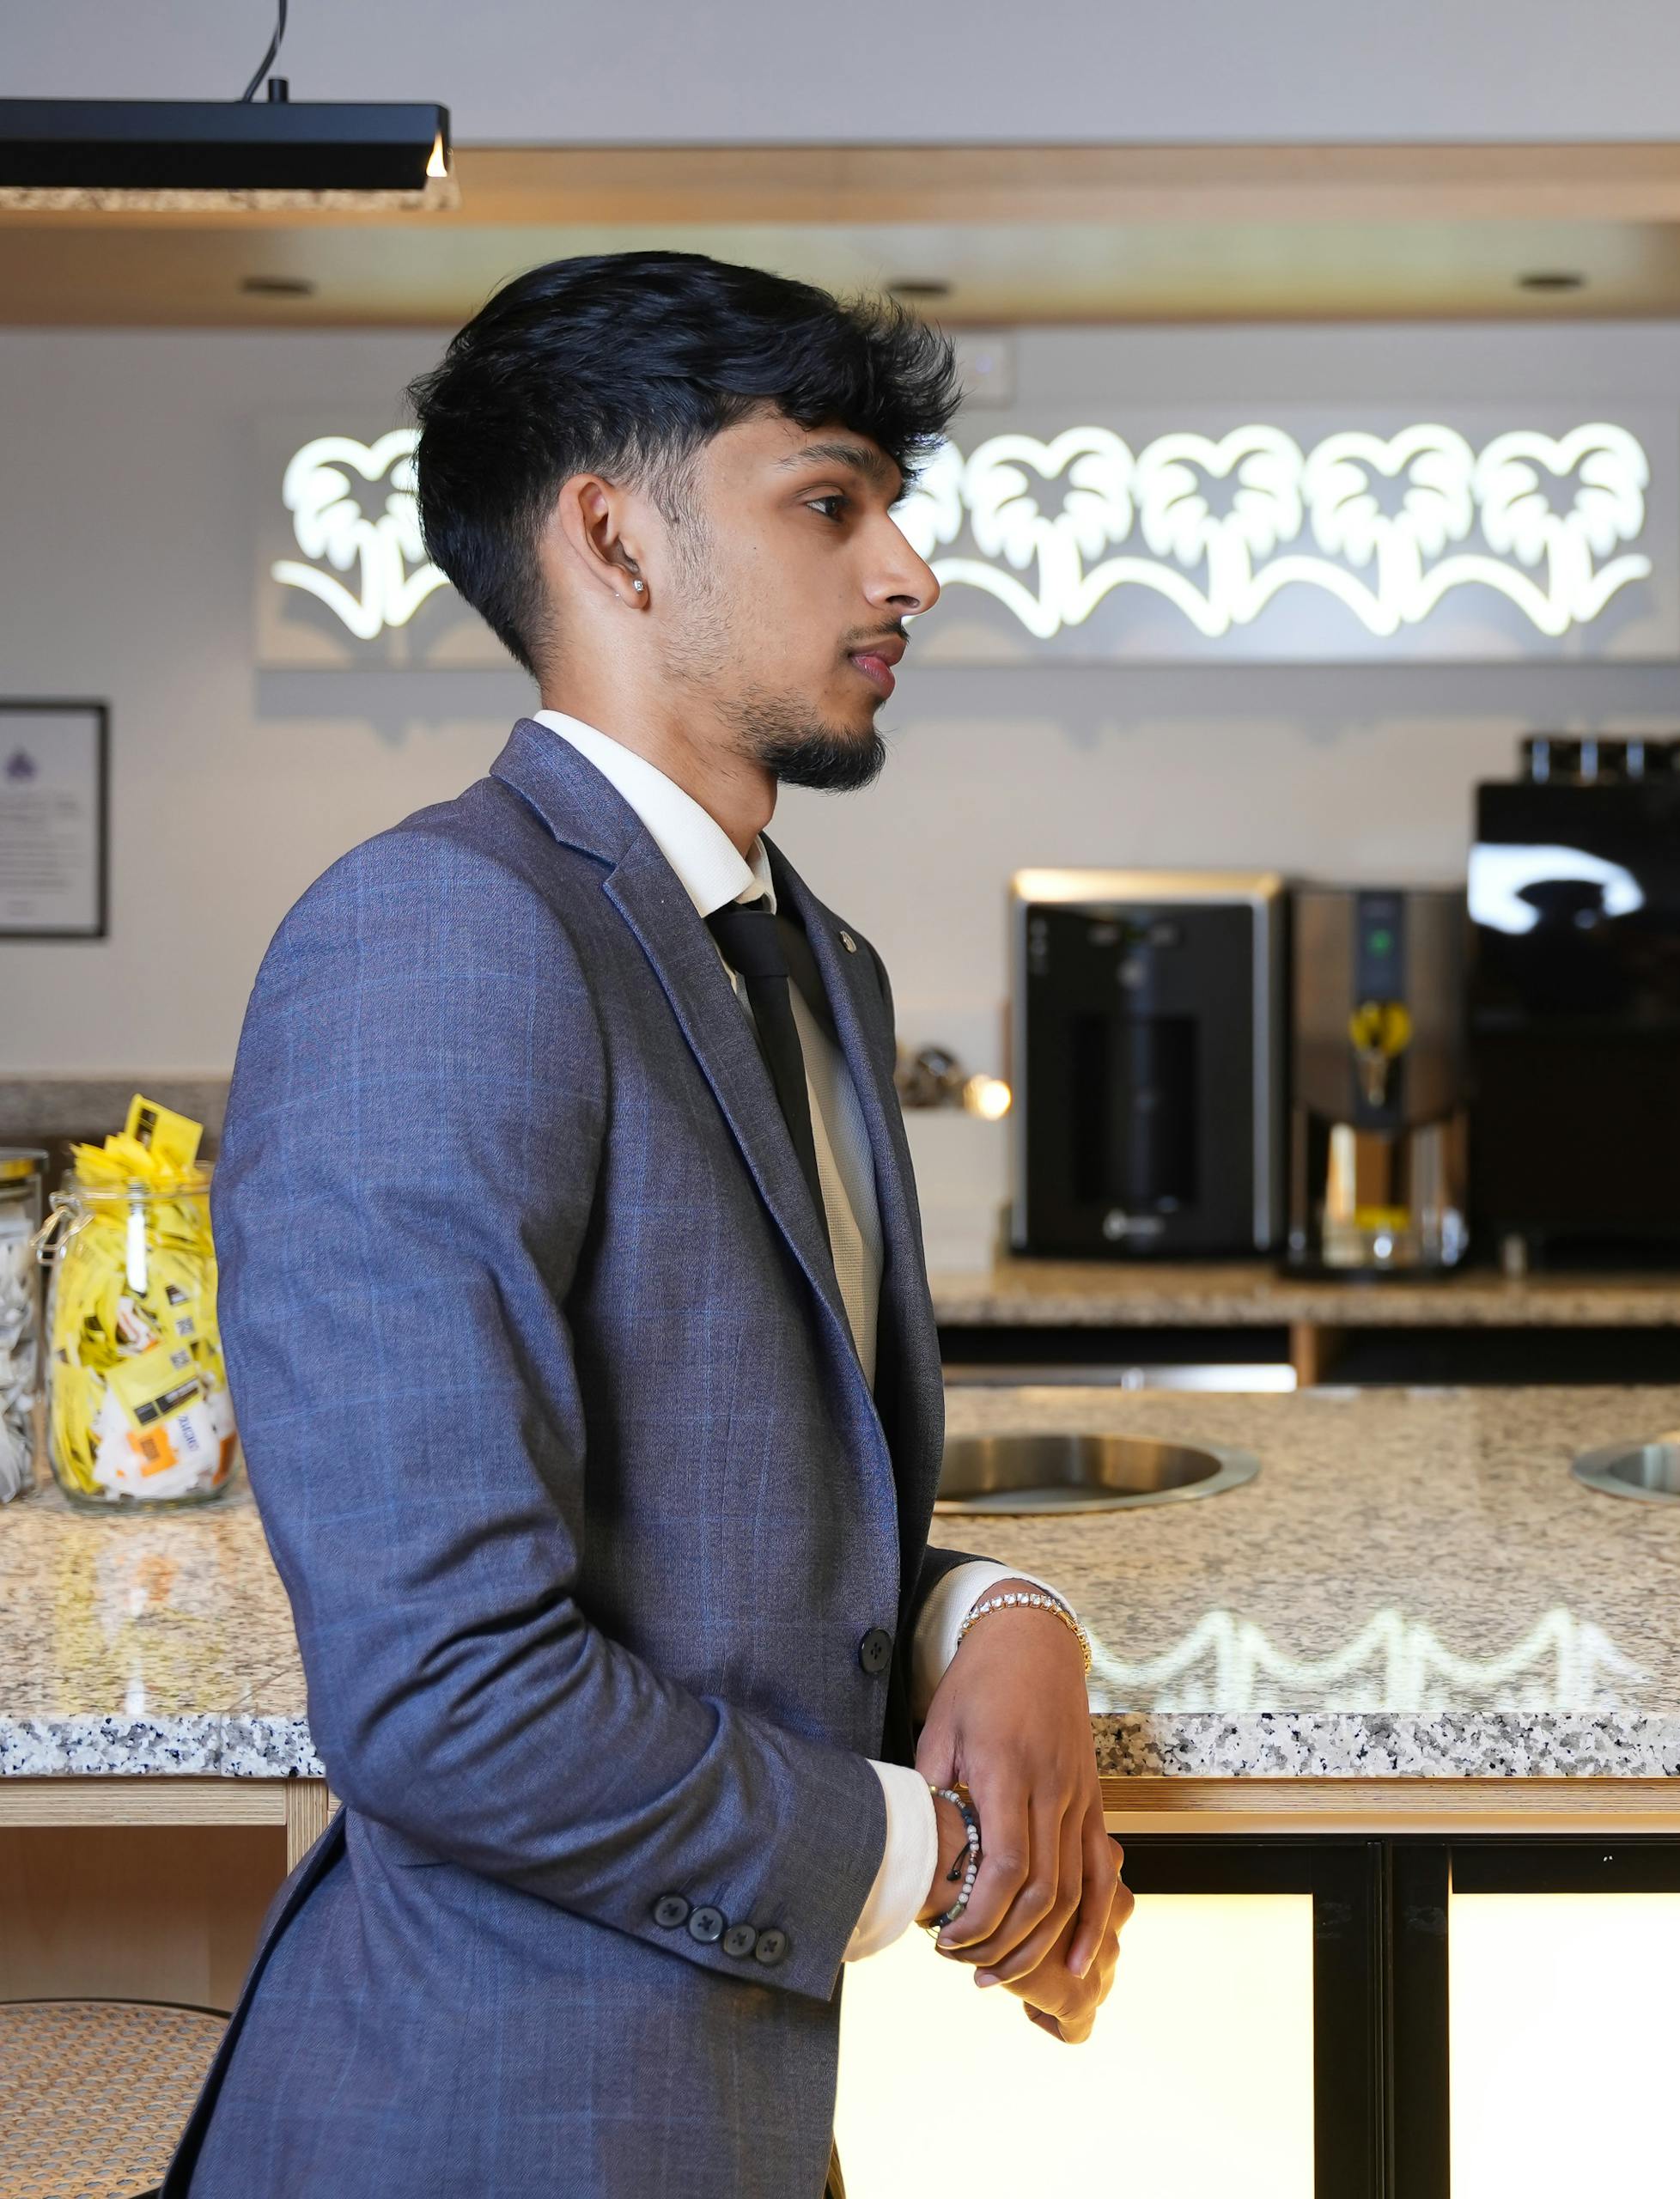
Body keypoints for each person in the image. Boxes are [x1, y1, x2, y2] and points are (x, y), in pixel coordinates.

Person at [173, 252, 1131, 2196]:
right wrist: (933, 1850)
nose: (909, 573)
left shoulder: (817, 964)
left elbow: (737, 1510)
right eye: (830, 500)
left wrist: (1002, 1611)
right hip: (482, 2122)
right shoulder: (437, 932)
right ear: (612, 537)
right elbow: (446, 1691)